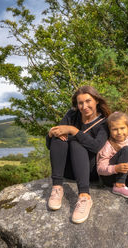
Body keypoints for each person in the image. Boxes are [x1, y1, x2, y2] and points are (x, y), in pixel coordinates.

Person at [46, 85, 111, 223]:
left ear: (96, 101)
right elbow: (50, 145)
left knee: (76, 143)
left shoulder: (104, 123)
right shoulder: (71, 114)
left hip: (89, 171)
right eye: (80, 103)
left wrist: (73, 130)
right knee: (59, 138)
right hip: (68, 171)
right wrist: (50, 134)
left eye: (88, 101)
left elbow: (95, 147)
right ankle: (57, 187)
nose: (84, 106)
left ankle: (84, 197)